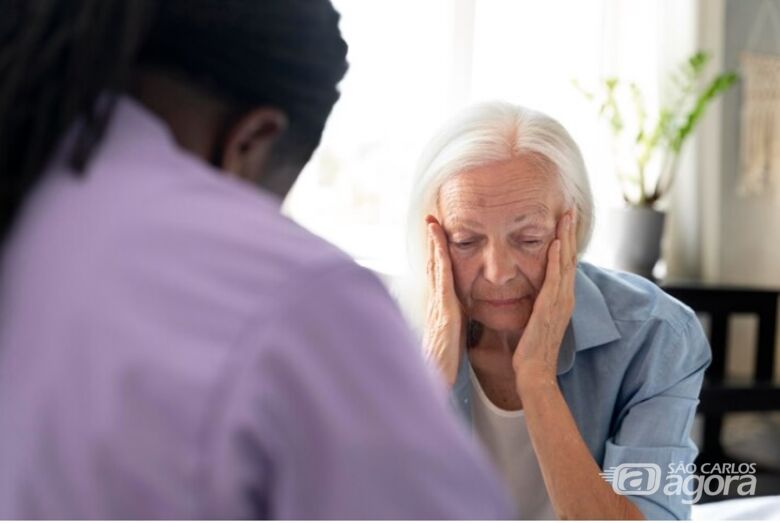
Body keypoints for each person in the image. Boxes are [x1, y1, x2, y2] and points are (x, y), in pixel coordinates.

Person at [0, 1, 513, 518]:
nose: (498, 269)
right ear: (249, 141)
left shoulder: (35, 196)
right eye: (467, 239)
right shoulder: (299, 297)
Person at [399, 101, 712, 520]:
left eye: (528, 239)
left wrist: (537, 380)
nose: (497, 273)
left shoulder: (656, 335)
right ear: (433, 237)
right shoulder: (381, 329)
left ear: (574, 226)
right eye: (466, 241)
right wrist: (430, 379)